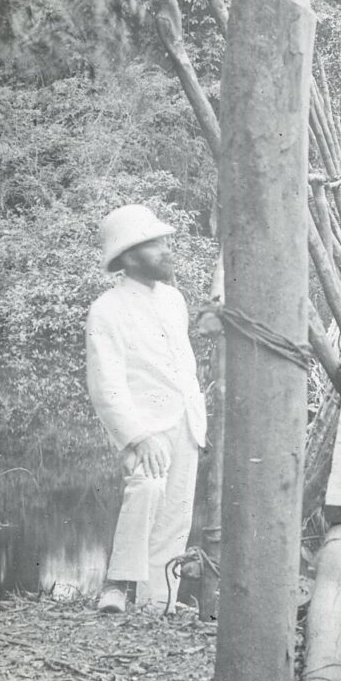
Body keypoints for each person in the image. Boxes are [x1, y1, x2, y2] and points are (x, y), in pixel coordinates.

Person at [85, 204, 207, 613]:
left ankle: (161, 599)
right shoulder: (106, 309)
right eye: (155, 244)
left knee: (176, 509)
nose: (167, 250)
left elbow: (179, 362)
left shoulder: (174, 300)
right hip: (143, 426)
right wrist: (138, 435)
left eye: (165, 241)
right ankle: (116, 586)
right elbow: (106, 385)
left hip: (185, 419)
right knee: (147, 489)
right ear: (129, 255)